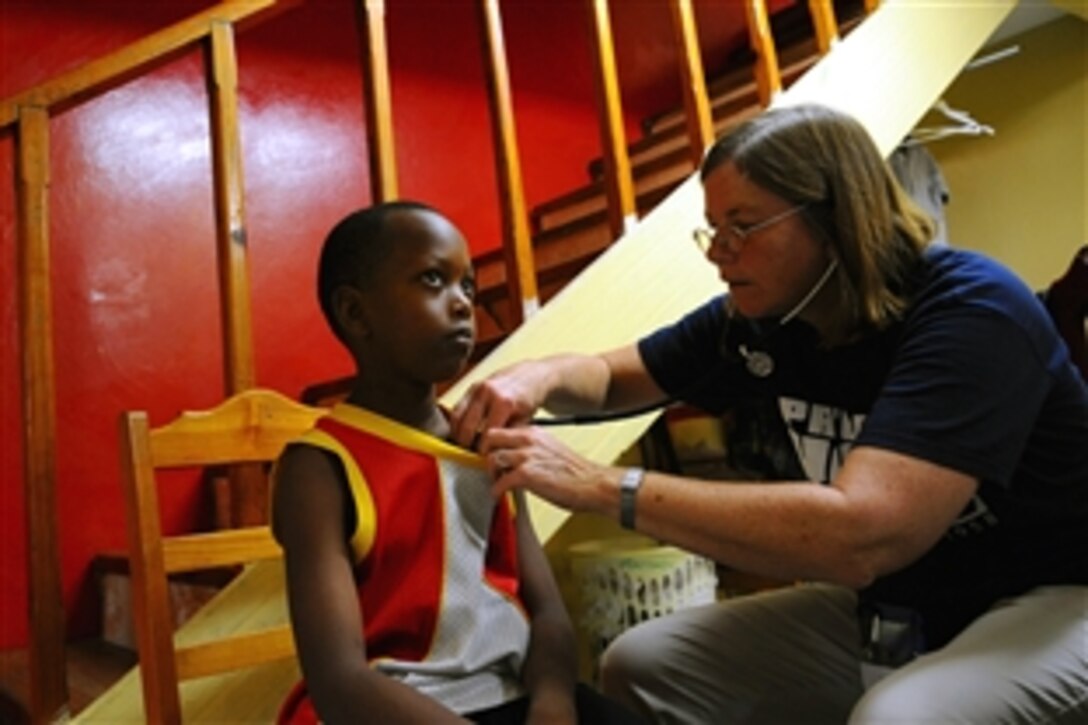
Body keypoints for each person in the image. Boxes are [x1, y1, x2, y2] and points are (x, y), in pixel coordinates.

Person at [450, 104, 1088, 724]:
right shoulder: (764, 320)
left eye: (742, 226)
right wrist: (538, 373)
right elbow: (616, 378)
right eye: (713, 227)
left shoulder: (974, 313)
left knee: (902, 717)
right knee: (641, 663)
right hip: (905, 595)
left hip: (1058, 593)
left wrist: (597, 486)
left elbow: (863, 535)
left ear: (835, 219)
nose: (717, 251)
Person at [271, 202, 643, 724]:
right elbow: (340, 682)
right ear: (356, 314)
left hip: (512, 698)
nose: (464, 303)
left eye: (467, 285)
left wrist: (554, 702)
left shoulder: (490, 443)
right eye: (432, 280)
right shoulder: (321, 467)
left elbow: (549, 615)